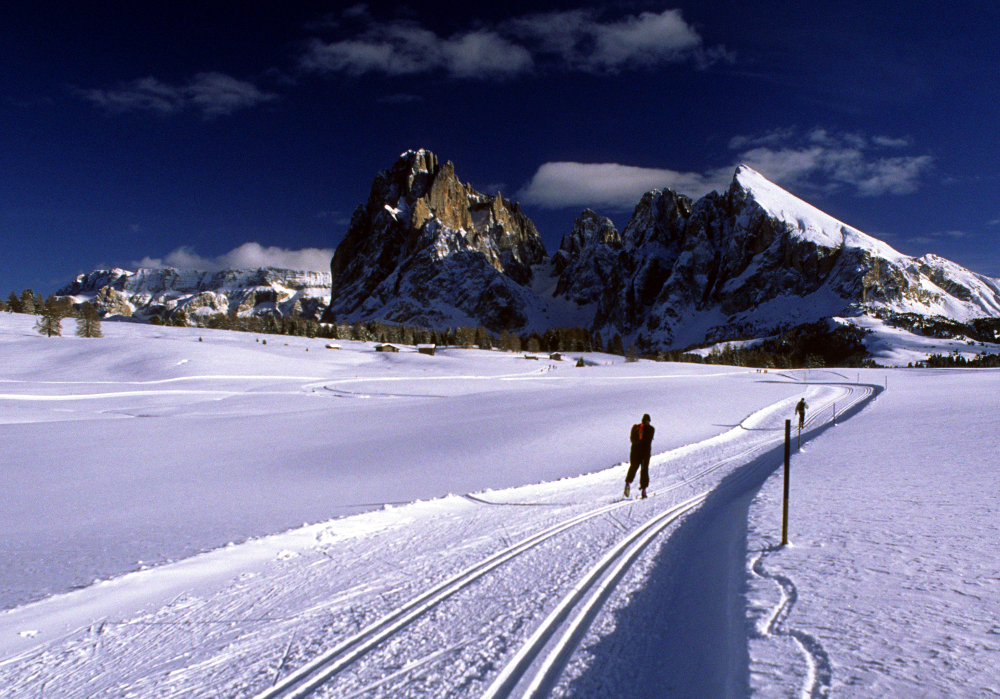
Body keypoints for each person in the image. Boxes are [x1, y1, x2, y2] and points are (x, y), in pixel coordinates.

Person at [625, 414, 654, 499]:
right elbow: (648, 441)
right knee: (644, 470)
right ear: (649, 421)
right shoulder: (651, 429)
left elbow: (631, 439)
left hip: (634, 451)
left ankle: (628, 482)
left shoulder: (635, 428)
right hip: (645, 453)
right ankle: (644, 491)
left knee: (633, 467)